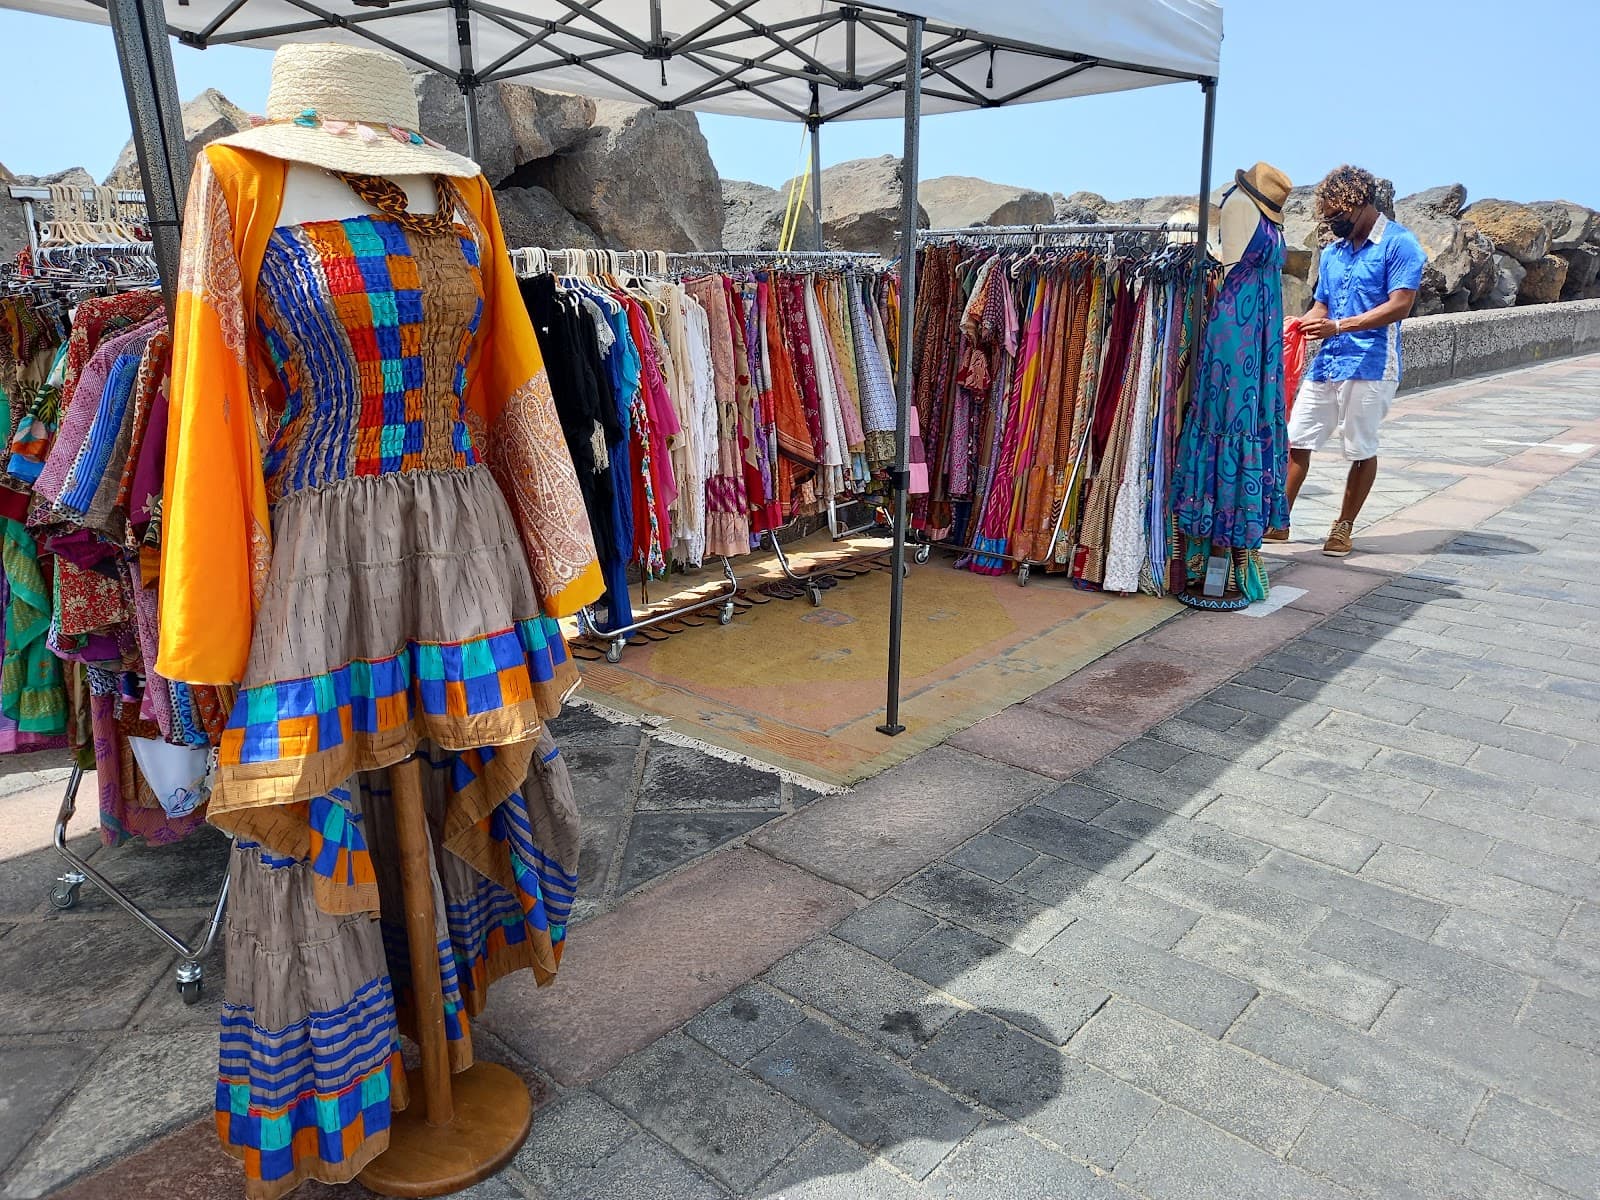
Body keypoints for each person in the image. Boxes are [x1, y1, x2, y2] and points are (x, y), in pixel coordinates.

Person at [1269, 165, 1425, 556]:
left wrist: (1339, 327)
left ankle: (1343, 526)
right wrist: (1300, 325)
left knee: (1360, 446)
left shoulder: (1400, 244)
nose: (1331, 225)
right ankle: (1279, 520)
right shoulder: (1334, 253)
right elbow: (1321, 304)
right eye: (1327, 218)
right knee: (1296, 439)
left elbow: (1400, 305)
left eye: (1337, 217)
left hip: (1372, 364)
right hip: (1329, 363)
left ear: (1360, 205)